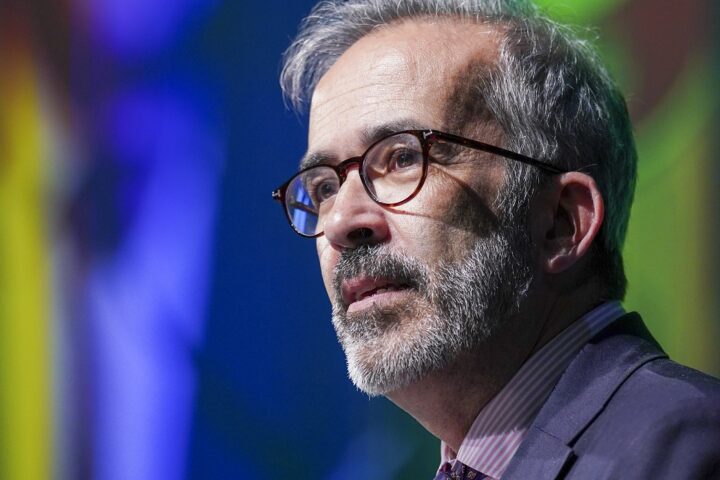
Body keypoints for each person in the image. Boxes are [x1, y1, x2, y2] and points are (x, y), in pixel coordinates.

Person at [271, 1, 720, 478]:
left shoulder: (687, 451)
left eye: (403, 158)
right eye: (324, 188)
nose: (340, 222)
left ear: (561, 222)